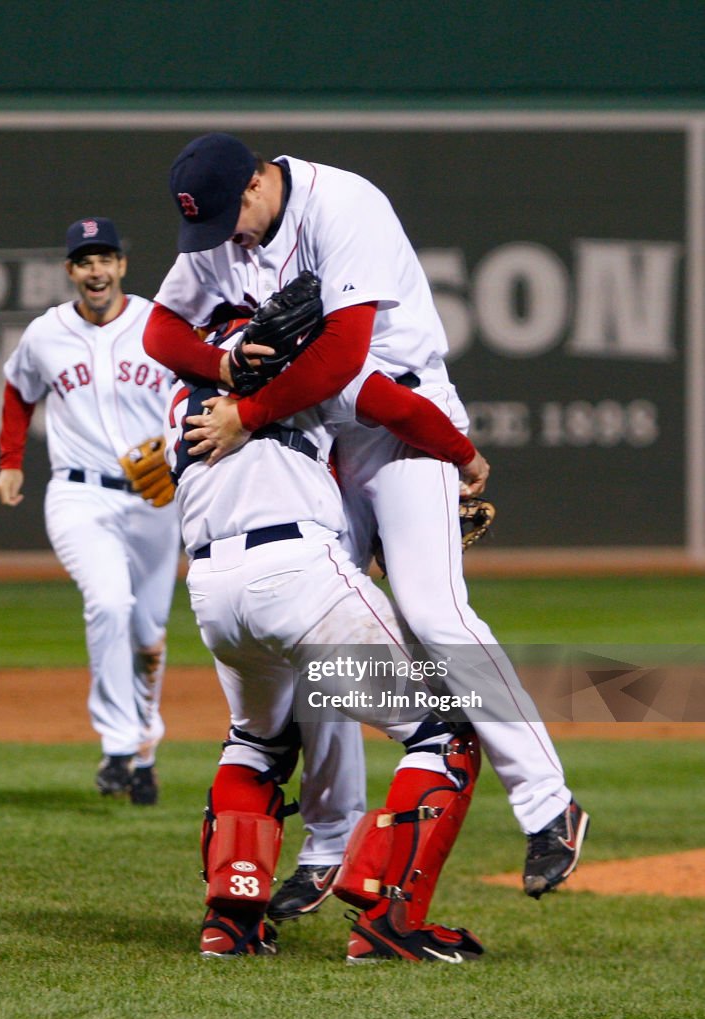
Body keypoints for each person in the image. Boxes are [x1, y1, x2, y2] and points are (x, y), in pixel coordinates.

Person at [142, 133, 589, 904]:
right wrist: (221, 365)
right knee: (317, 632)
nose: (225, 241)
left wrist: (247, 412)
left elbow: (346, 360)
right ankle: (326, 845)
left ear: (256, 183)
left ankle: (546, 806)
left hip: (396, 413)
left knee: (430, 608)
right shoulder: (224, 226)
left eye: (229, 219)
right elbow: (160, 331)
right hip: (312, 431)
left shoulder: (342, 204)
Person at [165, 320, 488, 962]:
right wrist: (465, 457)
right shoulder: (300, 370)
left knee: (258, 740)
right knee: (447, 728)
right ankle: (388, 920)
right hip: (298, 571)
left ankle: (229, 924)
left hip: (211, 587)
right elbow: (395, 405)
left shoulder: (178, 394)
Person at [0, 217, 180, 805]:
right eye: (84, 261)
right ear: (70, 271)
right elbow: (18, 390)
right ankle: (118, 743)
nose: (95, 270)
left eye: (105, 259)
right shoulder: (46, 333)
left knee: (149, 635)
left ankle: (144, 749)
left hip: (156, 497)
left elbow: (199, 391)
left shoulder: (159, 323)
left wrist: (178, 452)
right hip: (79, 493)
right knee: (108, 602)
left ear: (122, 265)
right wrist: (11, 460)